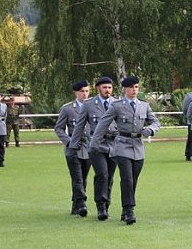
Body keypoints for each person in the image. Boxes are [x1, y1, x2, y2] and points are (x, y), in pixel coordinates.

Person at [90, 76, 160, 225]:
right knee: (126, 178)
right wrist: (94, 144)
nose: (134, 90)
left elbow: (155, 121)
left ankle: (125, 209)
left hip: (138, 147)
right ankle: (129, 210)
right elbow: (103, 124)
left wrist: (151, 130)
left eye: (136, 87)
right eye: (131, 88)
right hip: (122, 145)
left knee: (133, 179)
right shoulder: (117, 105)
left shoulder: (144, 106)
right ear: (125, 89)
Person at [71, 76, 118, 221]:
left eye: (109, 87)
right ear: (98, 88)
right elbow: (79, 126)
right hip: (96, 145)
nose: (107, 90)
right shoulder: (89, 104)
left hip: (114, 145)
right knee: (102, 174)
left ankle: (107, 204)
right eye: (104, 87)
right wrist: (73, 145)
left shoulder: (118, 103)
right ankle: (101, 205)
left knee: (109, 176)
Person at [55, 80, 92, 216]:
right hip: (73, 147)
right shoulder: (68, 108)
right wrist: (69, 142)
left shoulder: (93, 107)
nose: (85, 94)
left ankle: (75, 205)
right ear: (76, 92)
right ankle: (82, 203)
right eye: (82, 91)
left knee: (84, 177)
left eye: (87, 91)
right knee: (77, 177)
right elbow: (58, 128)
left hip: (88, 146)